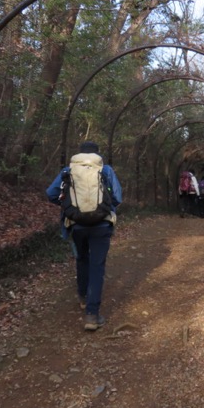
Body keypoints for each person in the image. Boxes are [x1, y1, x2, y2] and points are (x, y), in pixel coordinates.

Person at [46, 141, 122, 331]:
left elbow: (51, 193)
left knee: (82, 260)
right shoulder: (105, 170)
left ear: (79, 154)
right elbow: (117, 198)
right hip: (102, 224)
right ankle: (92, 315)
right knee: (97, 267)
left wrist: (69, 207)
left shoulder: (68, 170)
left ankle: (82, 296)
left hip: (76, 224)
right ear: (98, 154)